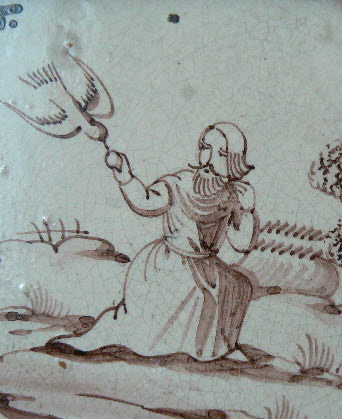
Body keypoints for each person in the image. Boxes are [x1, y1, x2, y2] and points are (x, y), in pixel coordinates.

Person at [64, 122, 259, 361]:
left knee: (239, 286)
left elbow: (241, 244)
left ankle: (217, 349)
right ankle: (167, 344)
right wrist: (125, 174)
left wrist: (248, 212)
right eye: (205, 148)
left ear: (234, 161)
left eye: (220, 153)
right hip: (168, 261)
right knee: (198, 294)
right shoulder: (179, 183)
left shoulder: (234, 195)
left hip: (206, 265)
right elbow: (146, 201)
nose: (209, 159)